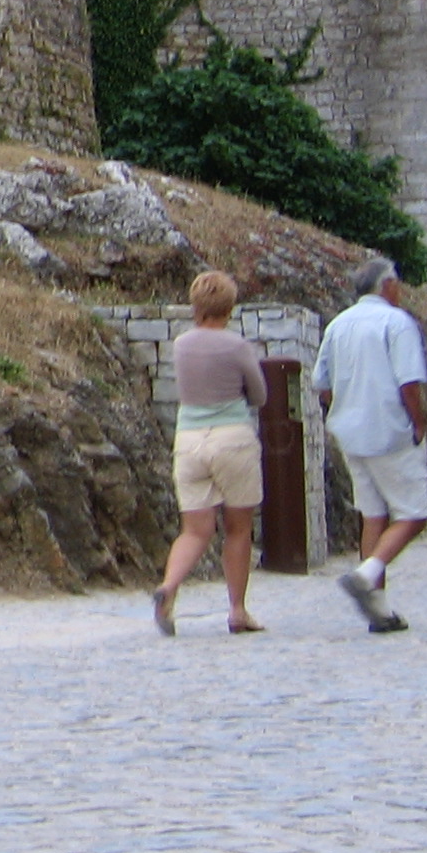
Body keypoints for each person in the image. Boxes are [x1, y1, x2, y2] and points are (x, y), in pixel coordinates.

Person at [313, 256, 427, 634]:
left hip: (350, 433)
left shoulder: (338, 325)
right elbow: (409, 382)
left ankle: (379, 609)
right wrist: (418, 422)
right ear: (388, 285)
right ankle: (367, 574)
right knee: (414, 513)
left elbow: (322, 384)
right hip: (390, 431)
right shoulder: (397, 322)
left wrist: (344, 408)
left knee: (373, 514)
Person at [152, 269, 268, 637]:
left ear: (195, 304)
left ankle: (169, 586)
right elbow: (260, 395)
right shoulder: (237, 346)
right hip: (232, 438)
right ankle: (237, 610)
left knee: (194, 531)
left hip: (189, 440)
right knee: (238, 528)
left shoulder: (182, 344)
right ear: (229, 307)